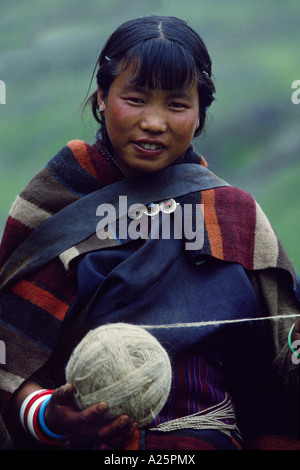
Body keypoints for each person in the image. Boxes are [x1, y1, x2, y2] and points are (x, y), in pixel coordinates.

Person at [0, 14, 299, 451]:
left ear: (199, 115)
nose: (154, 122)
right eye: (136, 99)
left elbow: (276, 372)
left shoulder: (233, 217)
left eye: (177, 105)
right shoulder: (53, 202)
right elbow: (11, 356)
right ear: (102, 97)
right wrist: (52, 415)